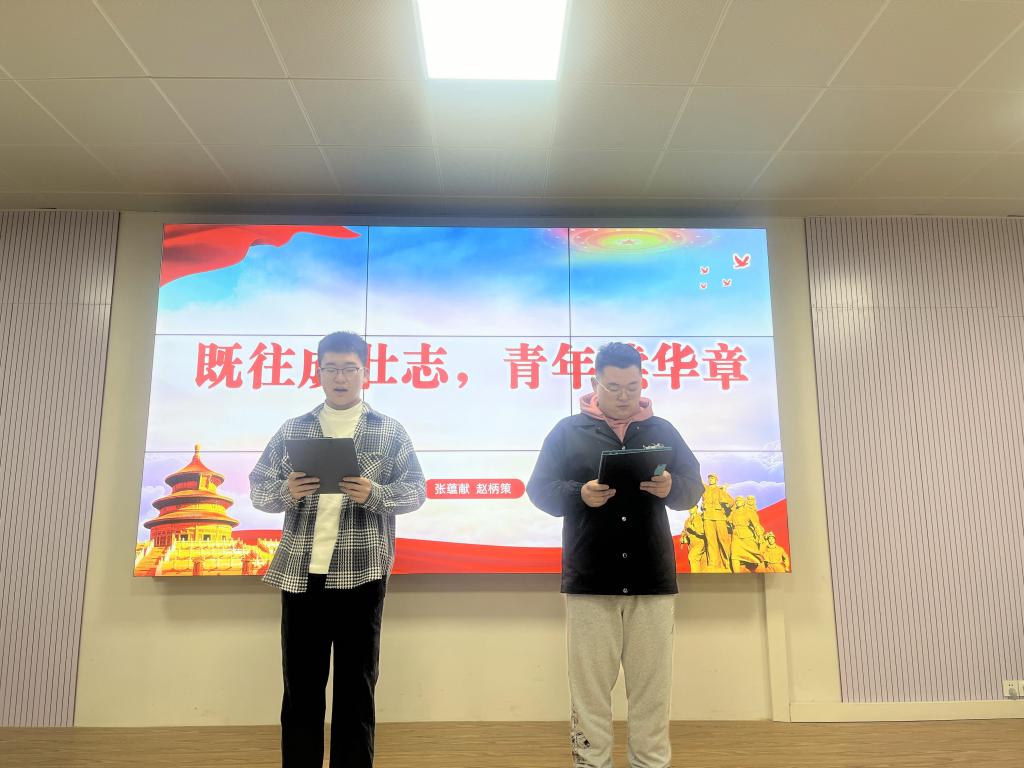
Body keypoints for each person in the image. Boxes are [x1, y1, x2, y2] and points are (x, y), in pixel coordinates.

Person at [249, 331, 426, 768]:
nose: (340, 378)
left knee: (356, 689)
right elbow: (259, 489)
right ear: (319, 372)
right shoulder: (294, 429)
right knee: (301, 689)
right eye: (331, 369)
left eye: (349, 369)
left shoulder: (389, 430)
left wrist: (375, 495)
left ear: (365, 373)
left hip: (362, 574)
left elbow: (415, 490)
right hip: (301, 573)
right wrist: (287, 491)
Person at [527, 342, 703, 768]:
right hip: (592, 577)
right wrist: (580, 493)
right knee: (589, 690)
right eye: (614, 387)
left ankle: (651, 763)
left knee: (651, 690)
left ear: (642, 382)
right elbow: (539, 489)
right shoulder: (567, 431)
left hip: (651, 577)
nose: (624, 396)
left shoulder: (662, 430)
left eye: (632, 386)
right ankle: (591, 763)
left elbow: (692, 487)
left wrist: (672, 487)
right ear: (594, 383)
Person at [700, 473, 734, 572]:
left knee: (723, 539)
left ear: (716, 480)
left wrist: (725, 503)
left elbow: (731, 502)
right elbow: (698, 481)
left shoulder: (720, 491)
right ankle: (713, 563)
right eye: (710, 478)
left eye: (713, 478)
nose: (711, 479)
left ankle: (727, 562)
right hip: (707, 517)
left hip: (719, 517)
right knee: (710, 541)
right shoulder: (705, 489)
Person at [681, 505, 707, 573]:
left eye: (692, 507)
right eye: (689, 508)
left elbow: (703, 532)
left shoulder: (701, 516)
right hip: (691, 545)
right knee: (700, 564)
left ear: (696, 508)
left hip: (700, 542)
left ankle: (695, 577)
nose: (690, 509)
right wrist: (683, 538)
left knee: (692, 557)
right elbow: (684, 531)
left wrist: (692, 528)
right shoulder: (687, 520)